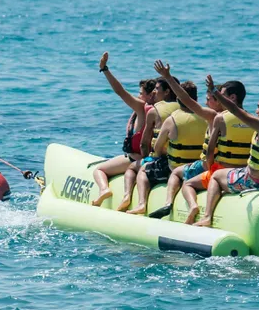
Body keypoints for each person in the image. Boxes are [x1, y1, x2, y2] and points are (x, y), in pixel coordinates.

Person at [196, 75, 259, 227]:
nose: (256, 111)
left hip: (255, 181)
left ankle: (207, 217)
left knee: (216, 176)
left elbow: (235, 110)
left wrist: (214, 91)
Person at [142, 61, 226, 220]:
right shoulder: (241, 118)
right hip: (233, 168)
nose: (206, 102)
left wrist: (167, 76)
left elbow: (185, 99)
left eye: (209, 99)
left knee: (176, 173)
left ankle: (172, 203)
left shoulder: (212, 116)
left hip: (209, 167)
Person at [127, 73, 205, 216]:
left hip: (174, 166)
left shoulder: (172, 119)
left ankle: (142, 203)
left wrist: (155, 155)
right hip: (198, 166)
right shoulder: (208, 117)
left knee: (143, 170)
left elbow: (156, 149)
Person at [90, 52, 159, 207]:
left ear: (149, 95)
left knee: (99, 170)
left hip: (135, 158)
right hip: (153, 158)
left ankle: (103, 190)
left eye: (141, 94)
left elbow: (120, 91)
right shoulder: (163, 110)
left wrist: (105, 69)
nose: (137, 96)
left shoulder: (142, 108)